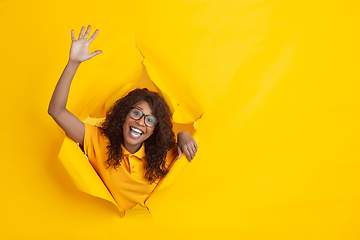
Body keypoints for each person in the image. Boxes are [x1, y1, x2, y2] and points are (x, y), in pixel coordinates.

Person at [48, 25, 198, 215]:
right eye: (136, 113)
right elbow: (57, 111)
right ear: (124, 115)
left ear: (154, 129)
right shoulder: (98, 141)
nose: (141, 122)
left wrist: (184, 135)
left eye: (150, 120)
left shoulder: (164, 154)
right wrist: (73, 63)